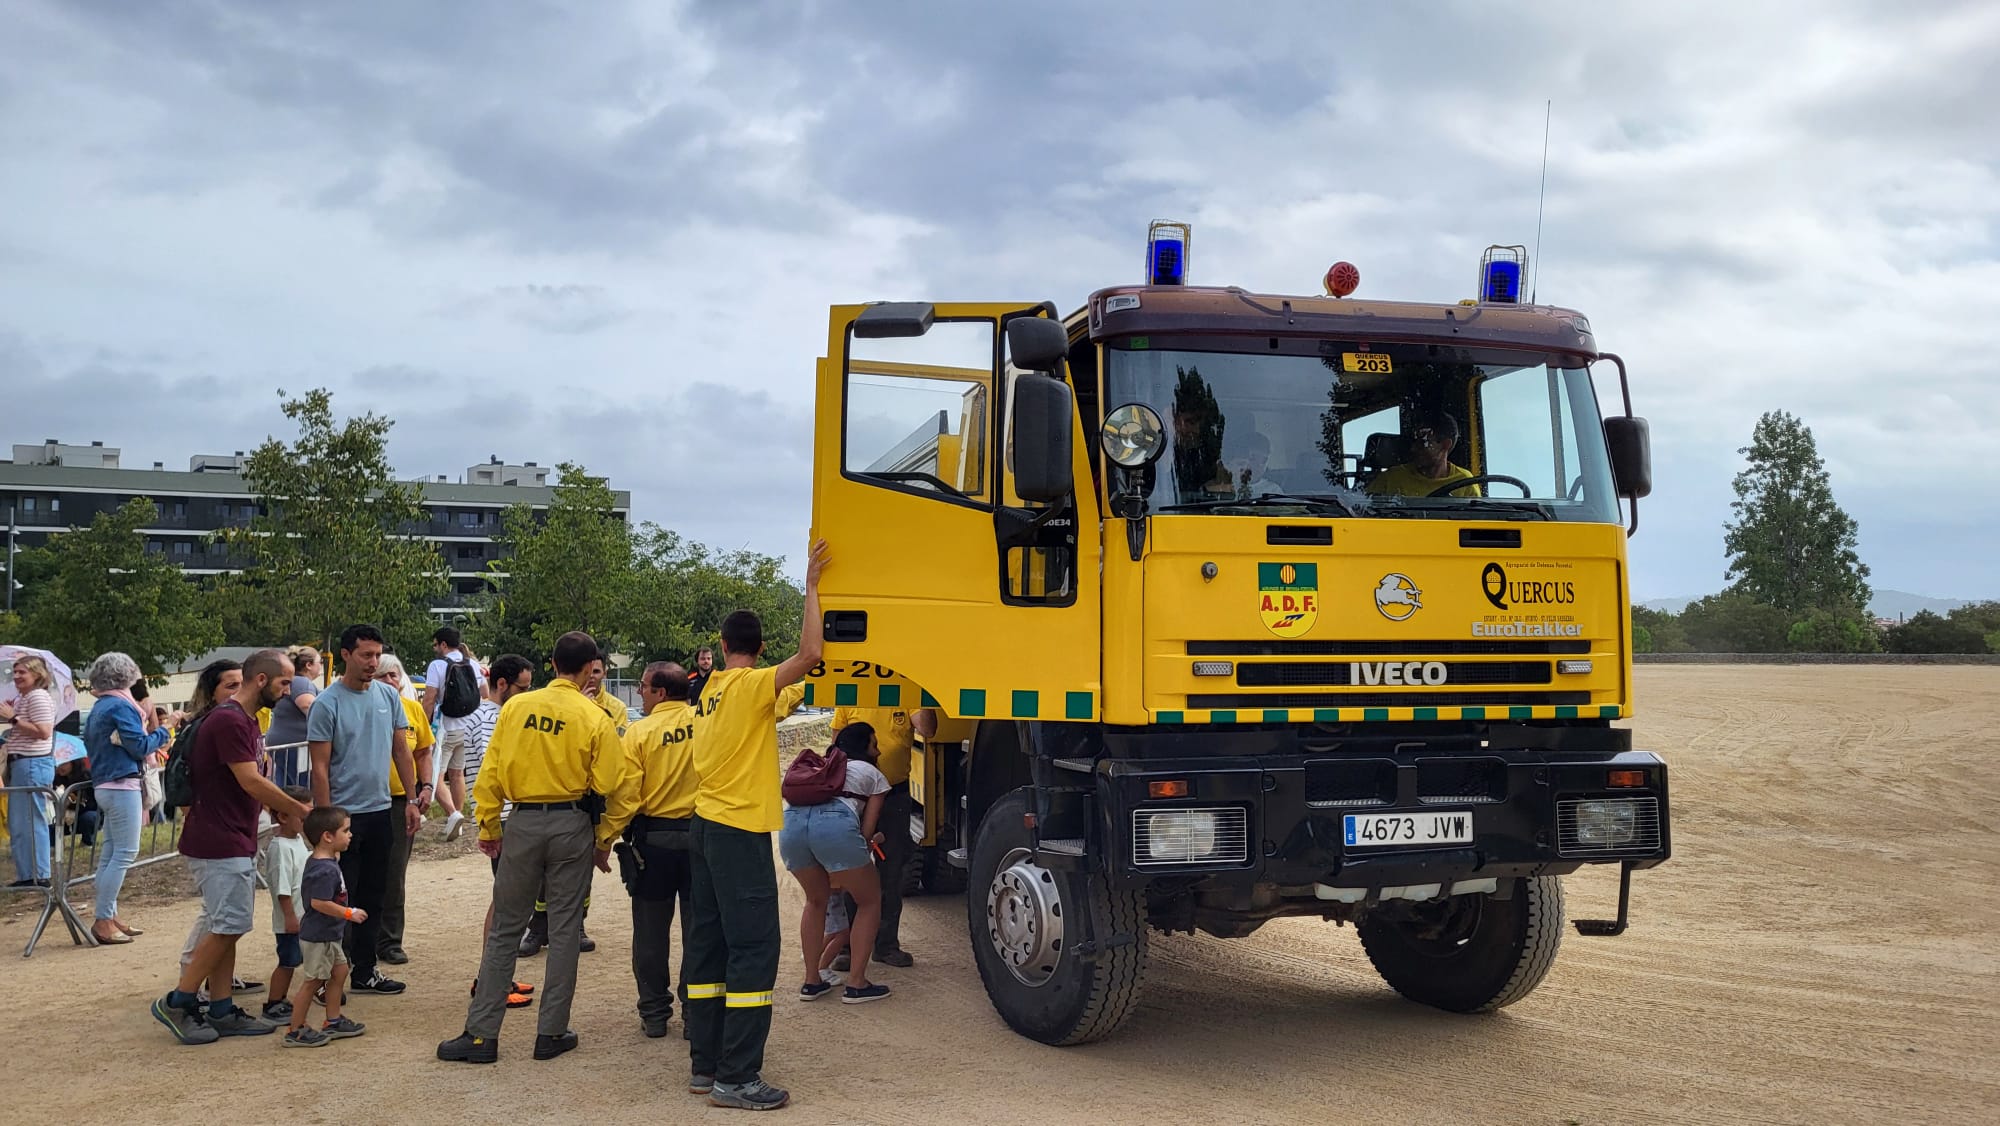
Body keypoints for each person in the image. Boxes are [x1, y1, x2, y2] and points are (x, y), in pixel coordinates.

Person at [681, 538, 828, 1111]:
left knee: (709, 945)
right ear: (761, 648)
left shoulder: (714, 690)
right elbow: (810, 657)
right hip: (739, 832)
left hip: (704, 826)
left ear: (720, 647)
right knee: (754, 948)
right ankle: (737, 1078)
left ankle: (704, 1064)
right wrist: (812, 587)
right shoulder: (750, 686)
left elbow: (784, 696)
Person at [438, 630, 624, 1065]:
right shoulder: (594, 715)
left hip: (520, 821)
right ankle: (551, 1032)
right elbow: (613, 781)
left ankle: (481, 1034)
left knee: (506, 927)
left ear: (552, 663)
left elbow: (492, 771)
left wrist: (488, 824)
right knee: (563, 932)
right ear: (587, 669)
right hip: (572, 823)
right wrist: (603, 835)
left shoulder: (518, 706)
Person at [151, 649, 313, 1045]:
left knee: (229, 924)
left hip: (232, 835)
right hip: (217, 838)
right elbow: (250, 781)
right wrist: (298, 809)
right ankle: (180, 1000)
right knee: (230, 923)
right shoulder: (230, 721)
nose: (288, 690)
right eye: (284, 682)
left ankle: (221, 1008)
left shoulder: (246, 720)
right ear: (262, 680)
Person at [306, 624, 417, 996]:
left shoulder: (388, 696)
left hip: (381, 810)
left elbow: (401, 750)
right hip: (343, 816)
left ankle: (366, 970)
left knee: (374, 894)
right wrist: (325, 820)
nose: (373, 662)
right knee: (339, 898)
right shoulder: (327, 703)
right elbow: (319, 766)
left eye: (377, 655)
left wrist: (413, 799)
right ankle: (325, 976)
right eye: (366, 655)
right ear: (346, 655)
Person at [599, 660, 699, 1037]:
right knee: (699, 932)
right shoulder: (706, 725)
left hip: (653, 845)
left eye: (643, 686)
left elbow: (626, 797)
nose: (639, 691)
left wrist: (605, 838)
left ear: (660, 692)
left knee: (650, 934)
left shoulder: (639, 734)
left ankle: (655, 1013)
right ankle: (696, 1013)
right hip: (700, 841)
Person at [780, 722, 891, 1004]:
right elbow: (866, 833)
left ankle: (812, 980)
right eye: (874, 744)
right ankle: (856, 983)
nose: (877, 751)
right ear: (863, 748)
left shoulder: (821, 767)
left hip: (791, 828)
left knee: (814, 901)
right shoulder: (873, 774)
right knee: (869, 901)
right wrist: (870, 840)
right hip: (835, 828)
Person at [81, 651, 179, 943]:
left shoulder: (102, 705)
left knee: (111, 852)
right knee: (124, 853)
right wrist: (166, 727)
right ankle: (102, 919)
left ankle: (108, 914)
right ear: (127, 676)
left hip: (106, 784)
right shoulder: (120, 707)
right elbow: (139, 746)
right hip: (121, 784)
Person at [826, 703, 933, 969]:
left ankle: (886, 945)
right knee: (852, 871)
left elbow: (928, 728)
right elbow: (835, 749)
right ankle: (848, 947)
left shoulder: (906, 692)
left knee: (892, 871)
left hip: (894, 796)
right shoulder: (851, 694)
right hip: (856, 797)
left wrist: (926, 694)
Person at [282, 805, 367, 1047]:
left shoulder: (326, 860)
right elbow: (318, 903)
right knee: (313, 981)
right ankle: (296, 1028)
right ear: (327, 837)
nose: (350, 835)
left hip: (329, 935)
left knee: (340, 971)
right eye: (345, 831)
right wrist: (348, 913)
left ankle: (333, 1020)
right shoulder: (323, 870)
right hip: (318, 937)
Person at [374, 654, 436, 967]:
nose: (389, 682)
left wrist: (426, 787)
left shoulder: (412, 711)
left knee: (394, 873)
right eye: (382, 676)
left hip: (401, 801)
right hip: (366, 800)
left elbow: (424, 751)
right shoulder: (366, 708)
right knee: (361, 873)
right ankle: (357, 939)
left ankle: (390, 941)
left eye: (394, 676)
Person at [2, 654, 59, 888]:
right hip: (23, 763)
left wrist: (13, 718)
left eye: (21, 672)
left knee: (31, 820)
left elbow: (44, 731)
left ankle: (39, 875)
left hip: (32, 763)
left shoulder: (37, 697)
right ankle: (28, 874)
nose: (16, 677)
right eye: (14, 672)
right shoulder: (24, 698)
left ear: (37, 674)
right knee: (19, 822)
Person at [422, 627, 484, 842]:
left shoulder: (437, 665)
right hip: (469, 728)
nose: (435, 648)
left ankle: (452, 813)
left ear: (443, 645)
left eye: (436, 644)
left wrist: (424, 724)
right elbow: (483, 694)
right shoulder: (473, 665)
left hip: (446, 728)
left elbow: (430, 698)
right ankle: (456, 821)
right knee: (458, 774)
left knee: (434, 774)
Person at [258, 785, 312, 1021]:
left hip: (303, 914)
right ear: (283, 816)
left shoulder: (298, 840)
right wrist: (290, 916)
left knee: (295, 960)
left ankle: (281, 999)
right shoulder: (280, 848)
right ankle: (273, 1001)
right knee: (287, 962)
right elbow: (282, 888)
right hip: (291, 919)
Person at [1366, 412, 1477, 497]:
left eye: (1422, 443)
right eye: (1414, 442)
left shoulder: (1465, 482)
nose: (1413, 448)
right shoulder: (1390, 479)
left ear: (1445, 445)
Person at [265, 646, 323, 788]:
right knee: (301, 787)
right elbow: (308, 706)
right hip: (296, 746)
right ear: (309, 665)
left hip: (282, 743)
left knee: (286, 783)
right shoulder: (301, 682)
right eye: (319, 662)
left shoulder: (293, 681)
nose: (321, 666)